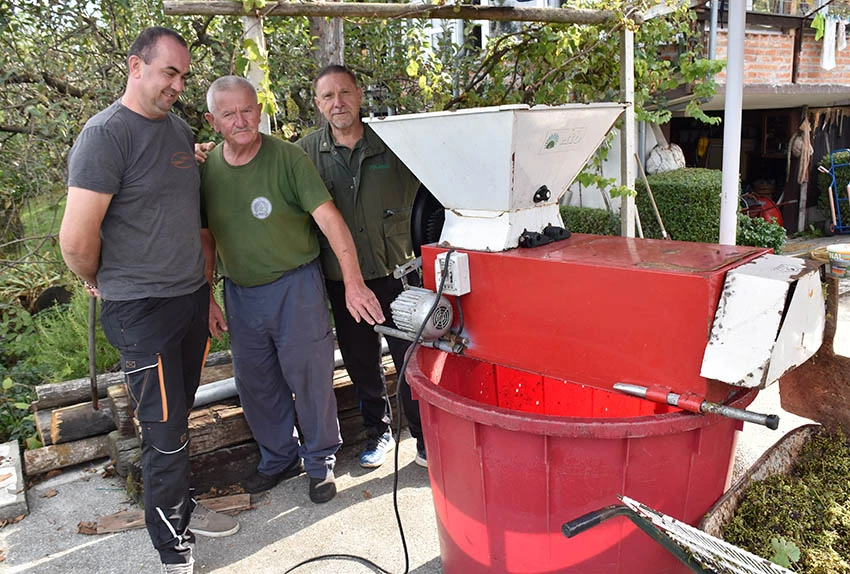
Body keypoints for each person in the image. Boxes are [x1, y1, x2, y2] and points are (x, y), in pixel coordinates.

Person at [59, 27, 238, 574]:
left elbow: (188, 218)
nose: (177, 85)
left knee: (179, 416)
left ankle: (178, 507)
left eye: (183, 76)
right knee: (162, 431)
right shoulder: (105, 136)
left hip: (187, 299)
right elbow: (74, 239)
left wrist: (205, 292)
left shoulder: (180, 131)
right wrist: (99, 278)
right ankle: (171, 547)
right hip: (141, 309)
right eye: (169, 73)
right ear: (136, 67)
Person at [199, 75, 385, 503]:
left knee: (311, 375)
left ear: (259, 112)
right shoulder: (207, 169)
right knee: (256, 383)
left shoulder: (288, 158)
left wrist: (353, 282)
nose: (241, 120)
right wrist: (207, 295)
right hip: (241, 291)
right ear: (213, 121)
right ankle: (279, 458)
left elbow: (330, 218)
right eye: (229, 114)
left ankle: (320, 462)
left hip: (295, 285)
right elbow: (206, 236)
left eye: (248, 110)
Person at [297, 65, 426, 469]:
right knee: (360, 361)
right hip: (344, 282)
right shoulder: (303, 154)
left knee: (412, 359)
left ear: (359, 95)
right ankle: (379, 432)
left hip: (400, 274)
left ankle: (424, 437)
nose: (338, 103)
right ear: (318, 104)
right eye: (328, 96)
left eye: (345, 93)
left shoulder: (395, 143)